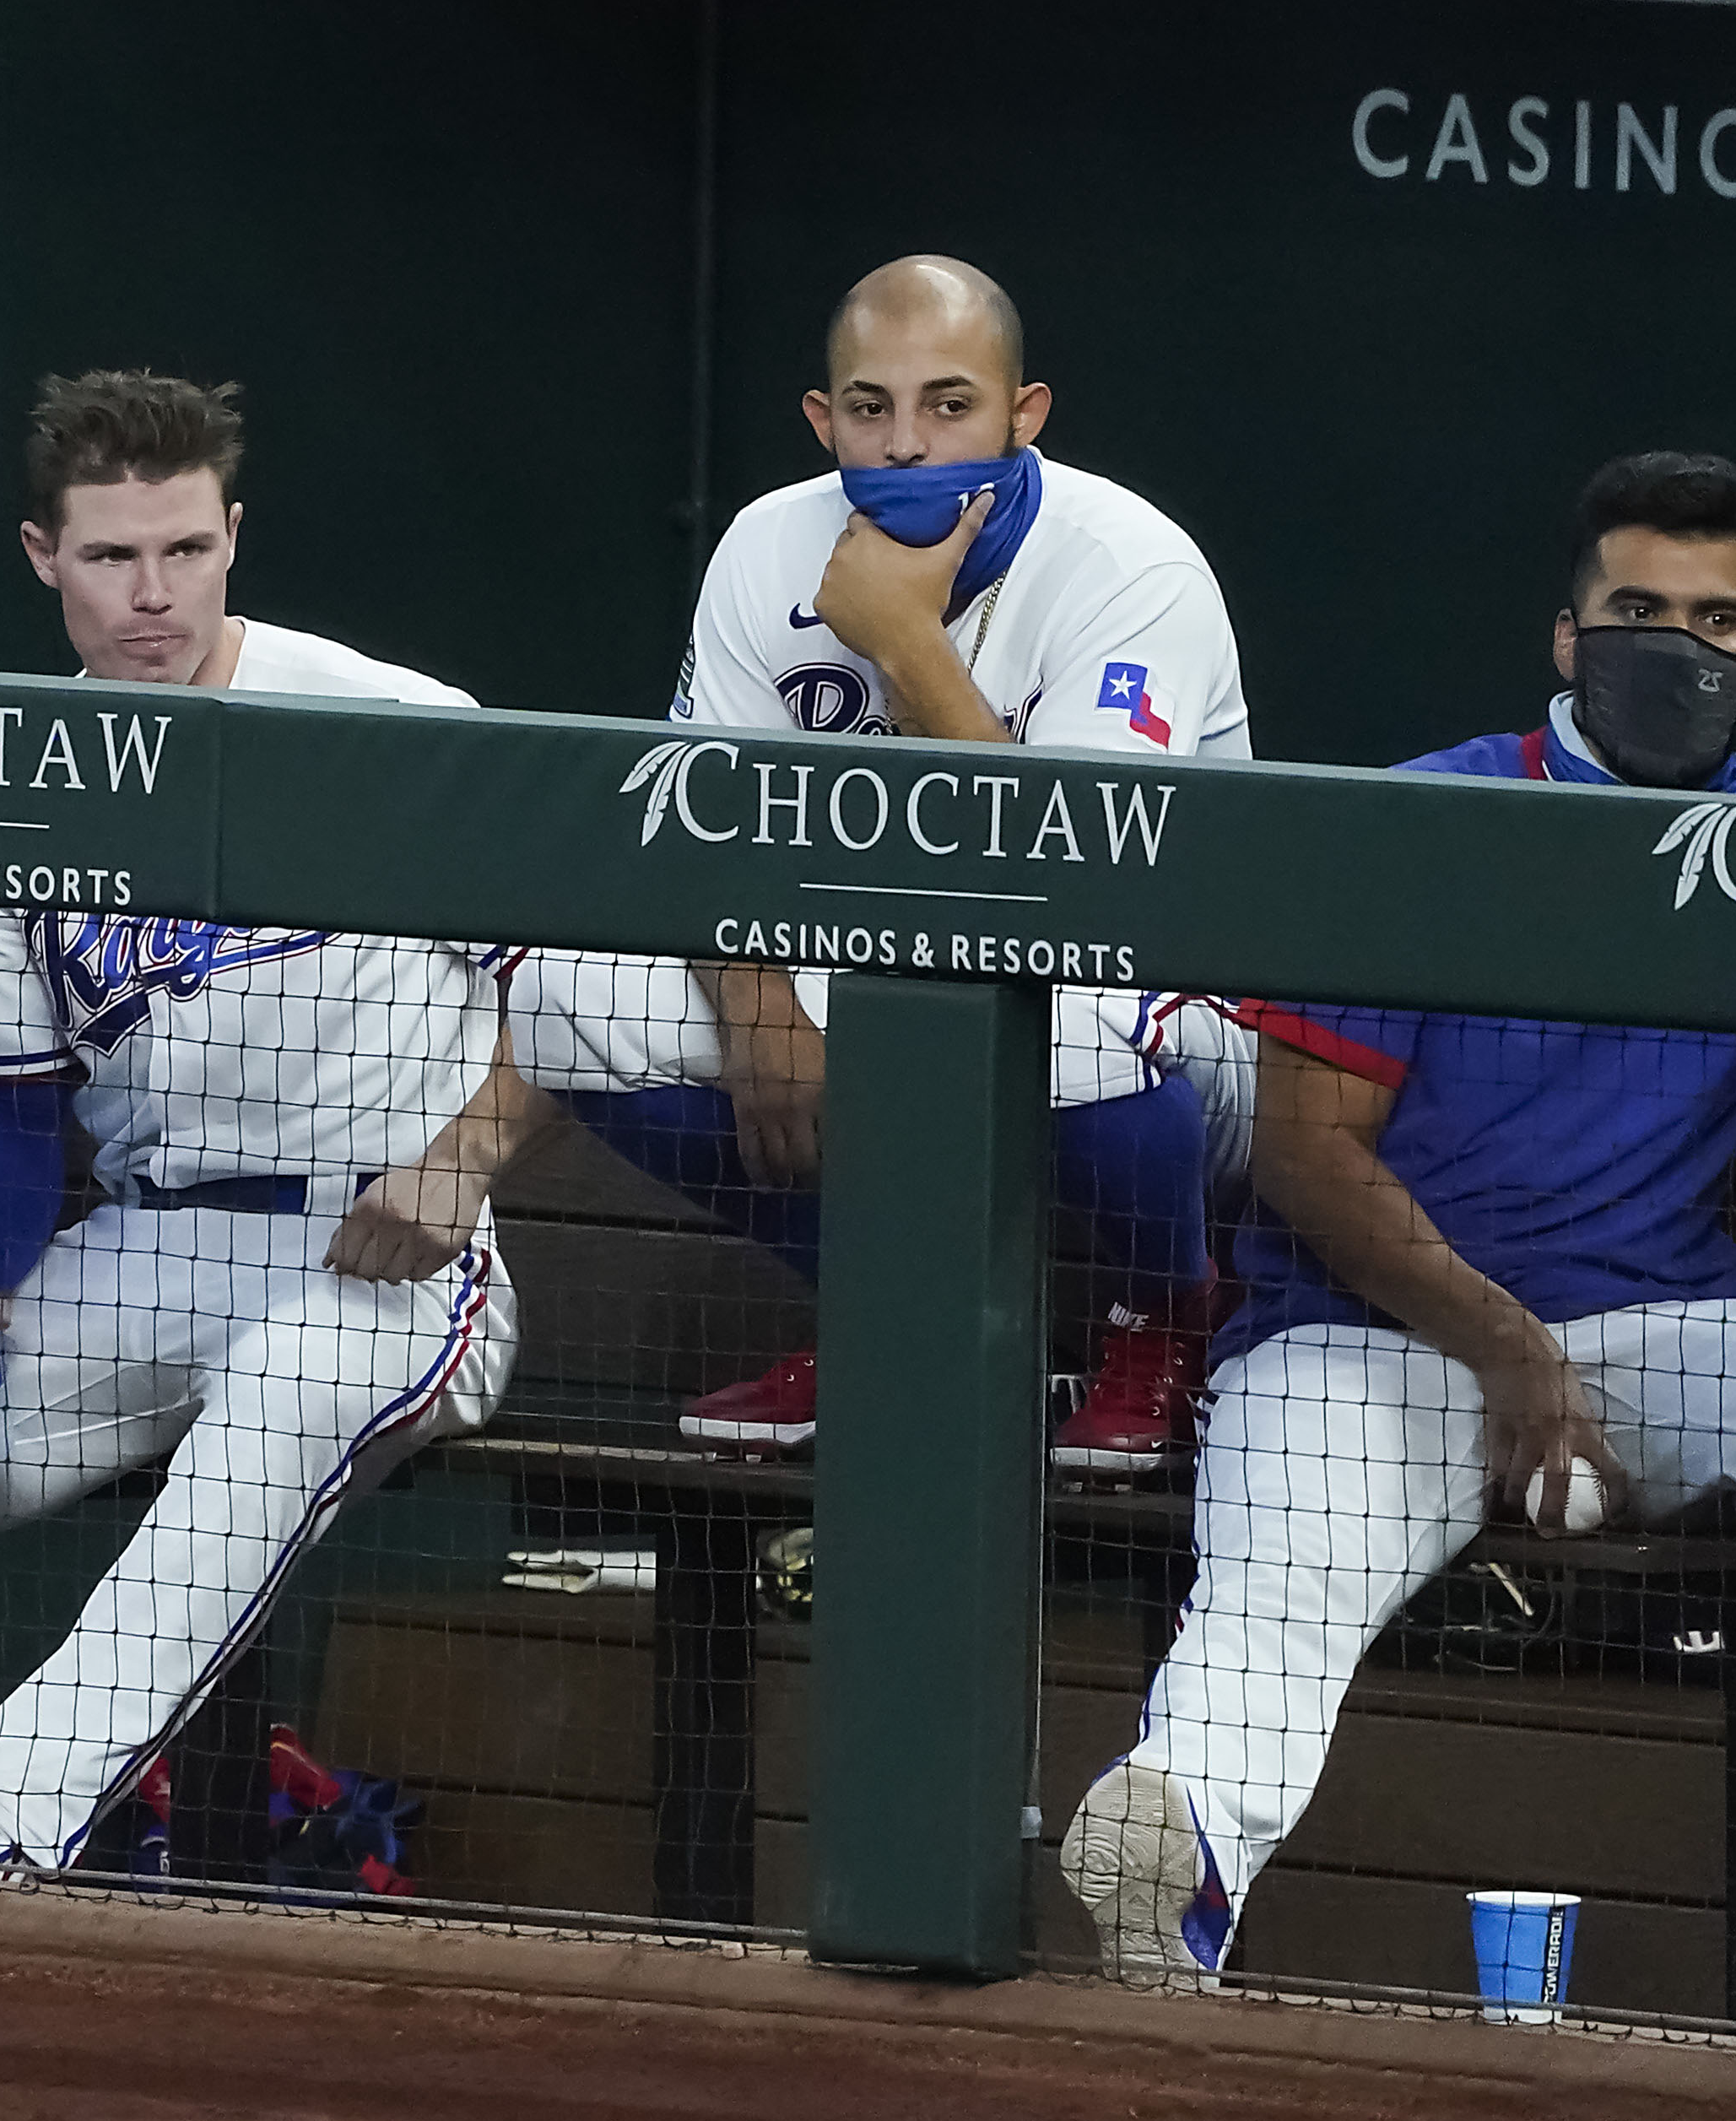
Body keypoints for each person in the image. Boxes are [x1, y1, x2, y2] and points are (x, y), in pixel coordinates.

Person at [1060, 452, 1736, 1985]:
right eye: (1636, 609)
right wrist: (1507, 1350)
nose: (1674, 648)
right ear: (1568, 639)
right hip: (1371, 1336)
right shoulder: (1423, 824)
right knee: (1289, 1558)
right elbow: (1304, 1154)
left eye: (1714, 621)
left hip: (1656, 1335)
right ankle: (1180, 1853)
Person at [0, 370, 535, 1876]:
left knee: (280, 1396)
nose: (155, 593)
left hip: (377, 1259)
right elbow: (6, 1117)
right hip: (136, 1254)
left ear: (234, 537)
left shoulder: (391, 726)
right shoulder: (17, 783)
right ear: (41, 555)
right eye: (116, 556)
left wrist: (462, 1159)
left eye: (187, 551)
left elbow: (604, 1000)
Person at [509, 254, 1251, 1478]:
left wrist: (904, 637)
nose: (906, 444)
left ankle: (1163, 1311)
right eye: (871, 407)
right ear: (824, 419)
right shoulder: (764, 546)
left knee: (1066, 1035)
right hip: (877, 977)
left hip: (1155, 1003)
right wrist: (758, 1006)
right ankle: (894, 1317)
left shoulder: (1130, 565)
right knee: (569, 1000)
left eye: (949, 405)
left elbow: (1084, 884)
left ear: (1026, 415)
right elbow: (709, 829)